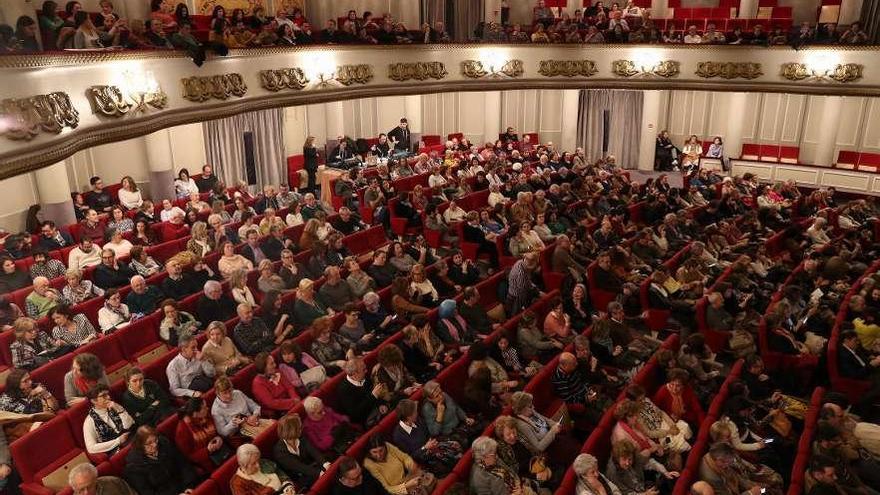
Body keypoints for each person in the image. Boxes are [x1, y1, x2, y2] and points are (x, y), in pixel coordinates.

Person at [123, 425, 199, 495]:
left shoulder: (164, 443)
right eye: (149, 443)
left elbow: (183, 465)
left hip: (185, 487)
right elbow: (148, 493)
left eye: (155, 440)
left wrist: (189, 486)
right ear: (140, 446)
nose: (155, 445)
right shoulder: (133, 467)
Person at [363, 433, 435, 495]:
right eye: (374, 452)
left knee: (430, 479)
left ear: (384, 447)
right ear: (369, 452)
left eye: (381, 450)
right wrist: (407, 485)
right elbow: (387, 489)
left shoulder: (387, 446)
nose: (379, 455)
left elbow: (404, 458)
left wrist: (411, 464)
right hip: (397, 490)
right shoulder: (369, 464)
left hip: (407, 478)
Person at [175, 397, 232, 472]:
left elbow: (218, 430)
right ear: (195, 413)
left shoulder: (206, 415)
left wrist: (219, 438)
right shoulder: (182, 430)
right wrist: (207, 450)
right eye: (204, 408)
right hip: (207, 459)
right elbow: (189, 456)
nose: (208, 408)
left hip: (221, 448)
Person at [273, 413, 328, 489]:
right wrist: (321, 473)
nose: (301, 428)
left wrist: (325, 463)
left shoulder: (301, 437)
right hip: (299, 476)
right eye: (299, 427)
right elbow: (300, 467)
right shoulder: (279, 451)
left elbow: (313, 451)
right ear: (292, 430)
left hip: (311, 467)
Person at [83, 384, 135, 455]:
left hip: (129, 438)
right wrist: (118, 441)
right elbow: (91, 448)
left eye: (108, 394)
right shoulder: (89, 422)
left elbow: (130, 424)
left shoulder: (114, 406)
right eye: (104, 395)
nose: (109, 397)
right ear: (94, 401)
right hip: (114, 449)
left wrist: (119, 409)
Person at [231, 443, 296, 495]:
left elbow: (282, 475)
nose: (258, 465)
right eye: (253, 463)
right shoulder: (238, 483)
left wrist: (288, 487)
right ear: (244, 465)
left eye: (258, 460)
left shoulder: (264, 462)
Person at [252, 352, 301, 416]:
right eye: (271, 364)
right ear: (263, 367)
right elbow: (271, 403)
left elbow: (289, 387)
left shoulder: (277, 371)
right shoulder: (258, 384)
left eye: (274, 362)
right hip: (278, 410)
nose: (275, 365)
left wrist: (295, 398)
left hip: (291, 401)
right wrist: (293, 402)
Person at [68, 463, 136, 495]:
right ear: (75, 488)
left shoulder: (113, 482)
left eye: (90, 487)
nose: (86, 493)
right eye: (81, 490)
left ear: (95, 480)